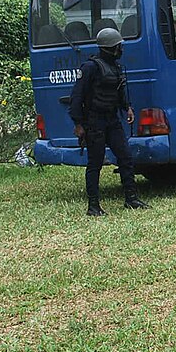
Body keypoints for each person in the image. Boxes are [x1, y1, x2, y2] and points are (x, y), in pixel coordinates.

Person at [68, 28, 149, 216]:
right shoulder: (90, 68)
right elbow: (76, 98)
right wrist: (79, 124)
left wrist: (127, 107)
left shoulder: (116, 67)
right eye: (118, 46)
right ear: (111, 48)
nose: (121, 49)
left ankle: (131, 198)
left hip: (112, 119)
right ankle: (93, 206)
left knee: (126, 157)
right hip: (94, 121)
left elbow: (119, 91)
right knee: (95, 163)